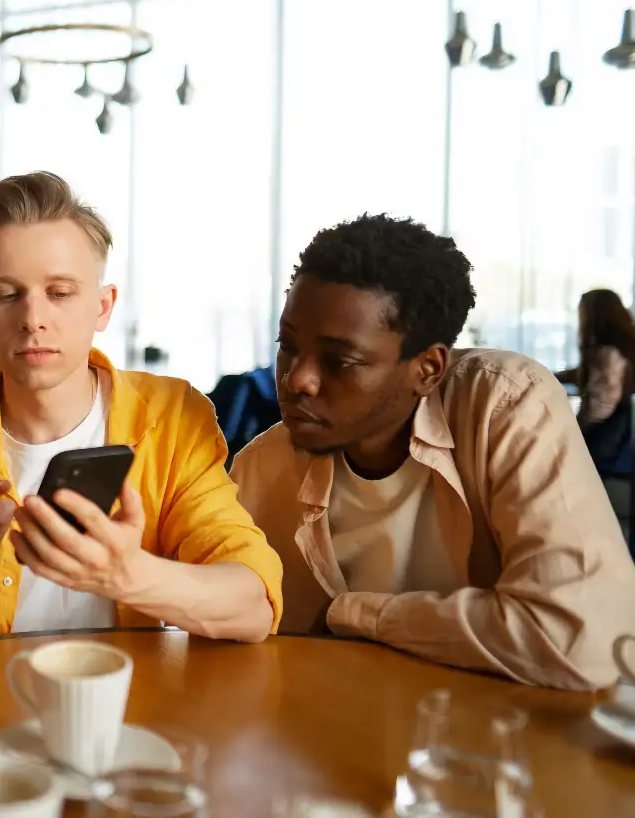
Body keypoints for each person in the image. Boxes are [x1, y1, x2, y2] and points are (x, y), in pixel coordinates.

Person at [0, 172, 283, 646]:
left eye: (61, 293)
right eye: (7, 295)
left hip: (122, 711)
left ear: (103, 306)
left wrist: (128, 575)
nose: (33, 319)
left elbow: (253, 606)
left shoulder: (172, 419)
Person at [231, 214, 635, 690]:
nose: (297, 379)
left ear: (428, 368)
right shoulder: (260, 471)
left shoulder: (505, 403)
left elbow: (582, 641)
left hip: (499, 746)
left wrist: (355, 615)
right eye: (288, 346)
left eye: (340, 361)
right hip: (332, 740)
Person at [555, 288, 635, 476]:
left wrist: (573, 432)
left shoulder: (606, 354)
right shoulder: (618, 349)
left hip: (605, 436)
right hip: (615, 432)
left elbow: (601, 405)